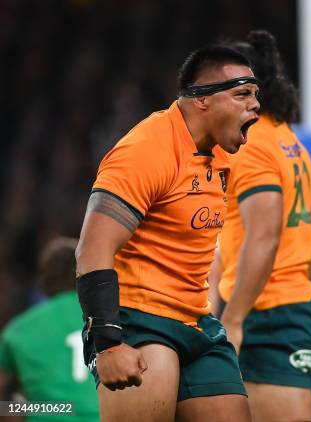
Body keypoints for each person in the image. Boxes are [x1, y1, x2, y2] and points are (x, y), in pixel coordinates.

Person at [74, 45, 260, 422]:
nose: (255, 105)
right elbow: (92, 249)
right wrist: (108, 343)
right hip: (140, 318)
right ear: (202, 100)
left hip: (197, 322)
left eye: (256, 95)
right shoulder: (146, 149)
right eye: (242, 94)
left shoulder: (223, 155)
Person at [217, 30, 311, 422]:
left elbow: (264, 236)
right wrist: (300, 289)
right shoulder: (289, 140)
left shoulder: (252, 145)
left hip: (267, 316)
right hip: (299, 310)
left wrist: (232, 318)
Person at [0, 237, 99, 422]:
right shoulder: (113, 320)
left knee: (16, 399)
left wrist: (35, 407)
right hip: (106, 416)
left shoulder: (18, 329)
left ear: (43, 282)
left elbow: (3, 401)